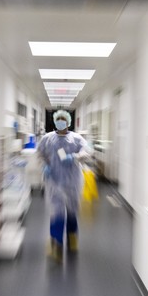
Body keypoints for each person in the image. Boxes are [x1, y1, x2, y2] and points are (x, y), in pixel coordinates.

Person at [37, 110, 91, 262]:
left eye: (63, 119)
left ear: (68, 121)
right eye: (58, 119)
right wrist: (44, 166)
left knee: (72, 212)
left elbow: (87, 152)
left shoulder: (76, 138)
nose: (61, 122)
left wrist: (74, 157)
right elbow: (40, 154)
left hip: (73, 182)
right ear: (55, 121)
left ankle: (72, 240)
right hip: (54, 181)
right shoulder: (47, 139)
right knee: (57, 213)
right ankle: (56, 245)